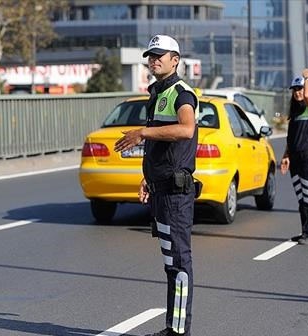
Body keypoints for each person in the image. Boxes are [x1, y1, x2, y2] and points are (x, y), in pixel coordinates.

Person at [114, 34, 199, 336]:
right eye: (150, 55)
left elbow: (187, 129)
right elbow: (161, 148)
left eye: (160, 55)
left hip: (176, 192)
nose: (154, 60)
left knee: (178, 263)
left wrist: (143, 133)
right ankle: (172, 329)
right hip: (160, 188)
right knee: (170, 264)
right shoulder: (157, 93)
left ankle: (178, 332)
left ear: (175, 60)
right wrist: (147, 179)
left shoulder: (180, 92)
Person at [280, 69, 308, 245]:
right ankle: (305, 231)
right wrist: (286, 157)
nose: (298, 92)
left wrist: (307, 79)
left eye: (300, 88)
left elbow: (307, 96)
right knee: (301, 197)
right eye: (295, 89)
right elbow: (291, 139)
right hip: (296, 159)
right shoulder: (295, 114)